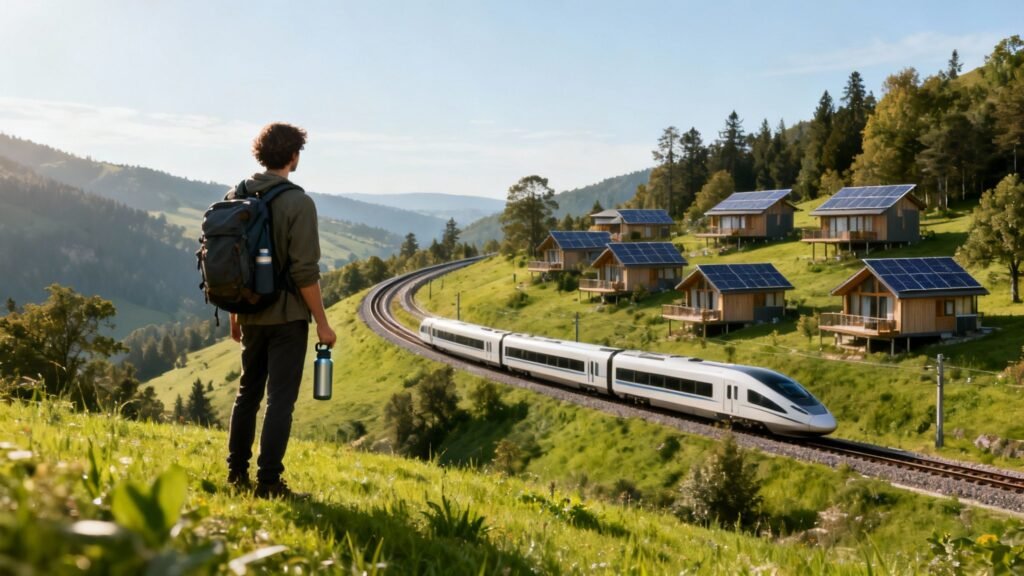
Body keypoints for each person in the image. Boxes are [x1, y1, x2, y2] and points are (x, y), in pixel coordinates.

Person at [226, 122, 336, 499]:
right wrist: (323, 323)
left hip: (250, 313)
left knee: (247, 394)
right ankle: (269, 482)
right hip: (287, 317)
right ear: (293, 156)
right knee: (279, 402)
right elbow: (305, 272)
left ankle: (236, 475)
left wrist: (235, 314)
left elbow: (230, 263)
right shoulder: (298, 202)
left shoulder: (235, 195)